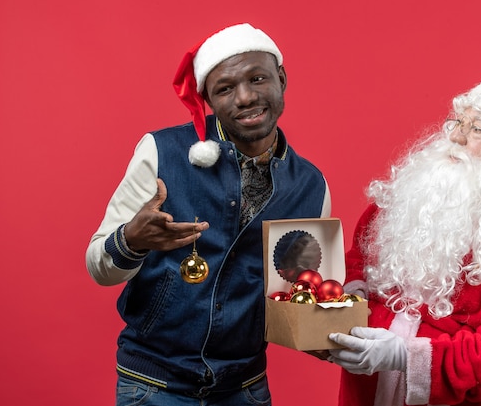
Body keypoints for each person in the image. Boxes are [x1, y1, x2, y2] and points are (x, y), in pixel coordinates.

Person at [86, 23, 331, 405]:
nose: (246, 97)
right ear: (208, 99)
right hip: (152, 384)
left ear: (281, 78)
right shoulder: (160, 152)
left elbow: (299, 299)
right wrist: (131, 241)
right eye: (226, 88)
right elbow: (99, 267)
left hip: (245, 387)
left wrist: (334, 327)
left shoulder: (311, 186)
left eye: (258, 78)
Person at [326, 61, 481, 406]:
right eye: (458, 122)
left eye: (477, 129)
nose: (455, 137)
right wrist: (341, 310)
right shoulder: (404, 199)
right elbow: (357, 268)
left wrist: (404, 355)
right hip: (368, 392)